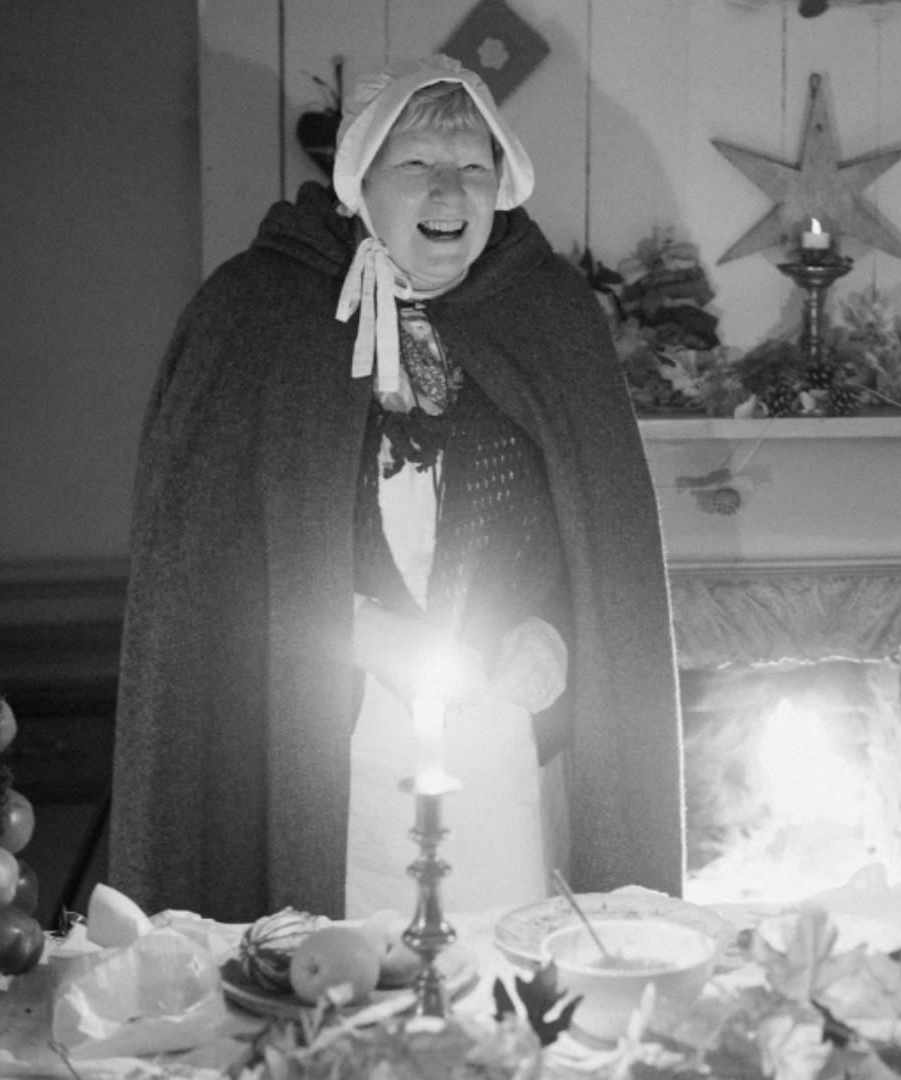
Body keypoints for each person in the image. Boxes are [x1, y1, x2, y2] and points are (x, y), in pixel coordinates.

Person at [110, 55, 683, 922]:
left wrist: (553, 635)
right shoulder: (259, 311)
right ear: (359, 183)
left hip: (500, 757)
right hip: (320, 752)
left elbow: (602, 556)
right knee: (342, 995)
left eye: (475, 170)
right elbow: (204, 568)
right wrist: (352, 625)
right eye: (417, 166)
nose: (449, 191)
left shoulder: (549, 313)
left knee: (500, 990)